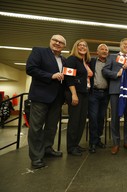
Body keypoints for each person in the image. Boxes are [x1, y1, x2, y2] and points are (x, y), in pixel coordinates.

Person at [26, 34, 66, 169]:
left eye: (61, 42)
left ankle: (47, 149)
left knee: (51, 126)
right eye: (55, 40)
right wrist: (51, 76)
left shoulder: (63, 59)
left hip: (57, 98)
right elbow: (30, 69)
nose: (57, 43)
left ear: (64, 46)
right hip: (40, 96)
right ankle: (36, 157)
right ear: (50, 41)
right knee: (36, 127)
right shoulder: (39, 51)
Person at [102, 38, 127, 155]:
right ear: (120, 45)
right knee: (115, 117)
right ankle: (115, 143)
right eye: (125, 44)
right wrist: (117, 74)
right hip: (116, 91)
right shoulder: (112, 57)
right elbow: (104, 71)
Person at [64, 39, 93, 156]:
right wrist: (74, 94)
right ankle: (71, 147)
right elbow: (68, 78)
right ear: (76, 47)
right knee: (74, 121)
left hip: (84, 93)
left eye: (84, 45)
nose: (82, 47)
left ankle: (75, 144)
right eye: (80, 45)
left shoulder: (83, 62)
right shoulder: (71, 59)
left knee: (81, 121)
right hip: (75, 93)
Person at [88, 44, 110, 153]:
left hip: (105, 94)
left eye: (106, 49)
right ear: (97, 52)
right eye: (102, 49)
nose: (105, 51)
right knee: (93, 118)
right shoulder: (91, 62)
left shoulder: (110, 63)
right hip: (94, 93)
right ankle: (92, 142)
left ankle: (97, 140)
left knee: (101, 118)